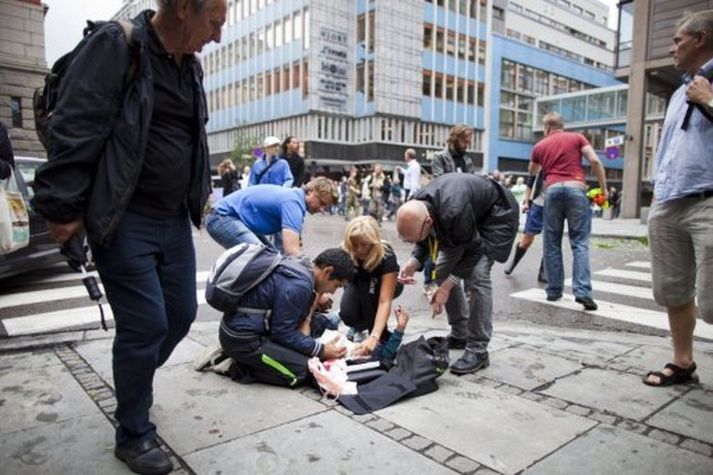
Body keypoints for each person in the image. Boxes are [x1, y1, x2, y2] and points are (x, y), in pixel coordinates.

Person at [31, 2, 226, 474]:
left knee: (179, 314)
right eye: (215, 22)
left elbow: (190, 140)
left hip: (174, 219)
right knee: (145, 326)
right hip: (124, 217)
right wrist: (63, 209)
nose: (217, 36)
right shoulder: (118, 46)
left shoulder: (191, 67)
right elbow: (76, 126)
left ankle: (133, 385)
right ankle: (134, 431)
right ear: (183, 9)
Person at [643, 10, 713, 387]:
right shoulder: (677, 93)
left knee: (712, 301)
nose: (673, 48)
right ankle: (683, 361)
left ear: (700, 39)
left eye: (677, 40)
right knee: (671, 288)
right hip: (669, 201)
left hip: (708, 200)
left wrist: (710, 101)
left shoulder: (704, 87)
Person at [396, 173, 518, 374]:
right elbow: (423, 239)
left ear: (428, 222)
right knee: (441, 270)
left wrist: (446, 287)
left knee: (478, 276)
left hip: (496, 216)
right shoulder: (417, 204)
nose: (412, 243)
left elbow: (474, 250)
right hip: (463, 224)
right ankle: (461, 333)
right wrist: (414, 261)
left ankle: (478, 349)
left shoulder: (452, 209)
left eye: (413, 239)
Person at [218, 248, 354, 386]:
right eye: (336, 285)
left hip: (246, 326)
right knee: (305, 370)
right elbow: (282, 333)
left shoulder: (303, 265)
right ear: (327, 271)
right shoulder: (299, 285)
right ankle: (238, 366)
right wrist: (321, 350)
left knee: (321, 323)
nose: (332, 291)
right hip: (245, 341)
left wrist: (312, 342)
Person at [528, 112, 608, 311]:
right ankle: (582, 292)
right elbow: (595, 161)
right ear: (562, 126)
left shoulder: (540, 146)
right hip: (576, 188)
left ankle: (554, 290)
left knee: (552, 242)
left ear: (546, 128)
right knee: (580, 243)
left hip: (552, 192)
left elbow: (532, 171)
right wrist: (603, 188)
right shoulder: (577, 138)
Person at [205, 177, 338, 255]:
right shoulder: (293, 203)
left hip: (231, 218)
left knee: (272, 257)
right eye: (321, 203)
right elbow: (292, 251)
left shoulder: (295, 198)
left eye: (325, 207)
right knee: (263, 258)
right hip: (221, 217)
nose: (322, 209)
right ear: (310, 191)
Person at [338, 216, 403, 357]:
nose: (359, 249)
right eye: (355, 244)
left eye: (364, 244)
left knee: (370, 297)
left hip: (384, 285)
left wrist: (375, 336)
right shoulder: (344, 250)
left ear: (373, 243)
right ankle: (359, 327)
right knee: (347, 313)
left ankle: (379, 334)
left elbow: (384, 300)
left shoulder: (386, 254)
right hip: (358, 282)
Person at [425, 124, 477, 294]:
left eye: (469, 141)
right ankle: (430, 283)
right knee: (435, 249)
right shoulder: (440, 157)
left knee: (468, 249)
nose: (467, 144)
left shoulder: (467, 159)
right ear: (455, 138)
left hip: (465, 212)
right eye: (465, 141)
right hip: (445, 212)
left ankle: (468, 290)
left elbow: (472, 183)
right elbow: (441, 183)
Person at [504, 171, 547, 283]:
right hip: (537, 205)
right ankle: (514, 261)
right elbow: (530, 185)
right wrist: (526, 202)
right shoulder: (539, 167)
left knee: (550, 241)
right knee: (527, 241)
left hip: (554, 206)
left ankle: (543, 272)